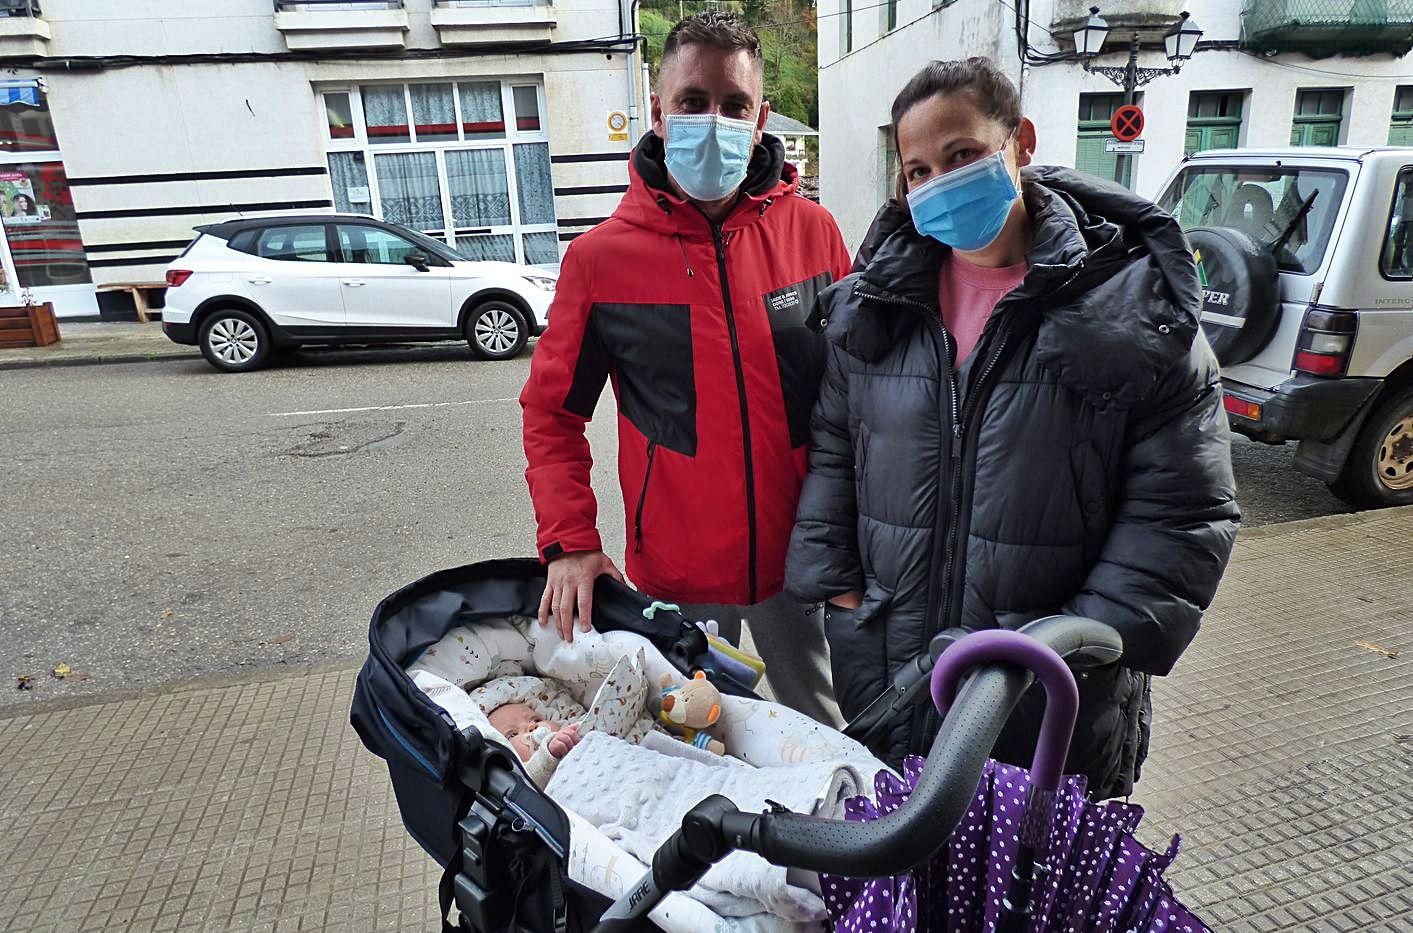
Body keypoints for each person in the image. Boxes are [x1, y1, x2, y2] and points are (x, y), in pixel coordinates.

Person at [786, 58, 1239, 798]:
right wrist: (837, 590)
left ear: (1019, 142)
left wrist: (1074, 646)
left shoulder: (1129, 310)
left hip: (1050, 695)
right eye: (918, 169)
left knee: (1029, 894)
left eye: (962, 155)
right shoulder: (875, 306)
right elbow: (836, 449)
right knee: (908, 880)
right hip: (890, 672)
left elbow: (1184, 512)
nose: (939, 183)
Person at [520, 12, 851, 725]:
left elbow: (860, 395)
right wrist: (570, 542)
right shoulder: (600, 261)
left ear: (760, 119)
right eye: (692, 101)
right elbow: (551, 413)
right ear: (657, 110)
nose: (713, 119)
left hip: (806, 564)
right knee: (696, 741)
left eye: (733, 106)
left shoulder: (813, 233)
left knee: (822, 735)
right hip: (679, 577)